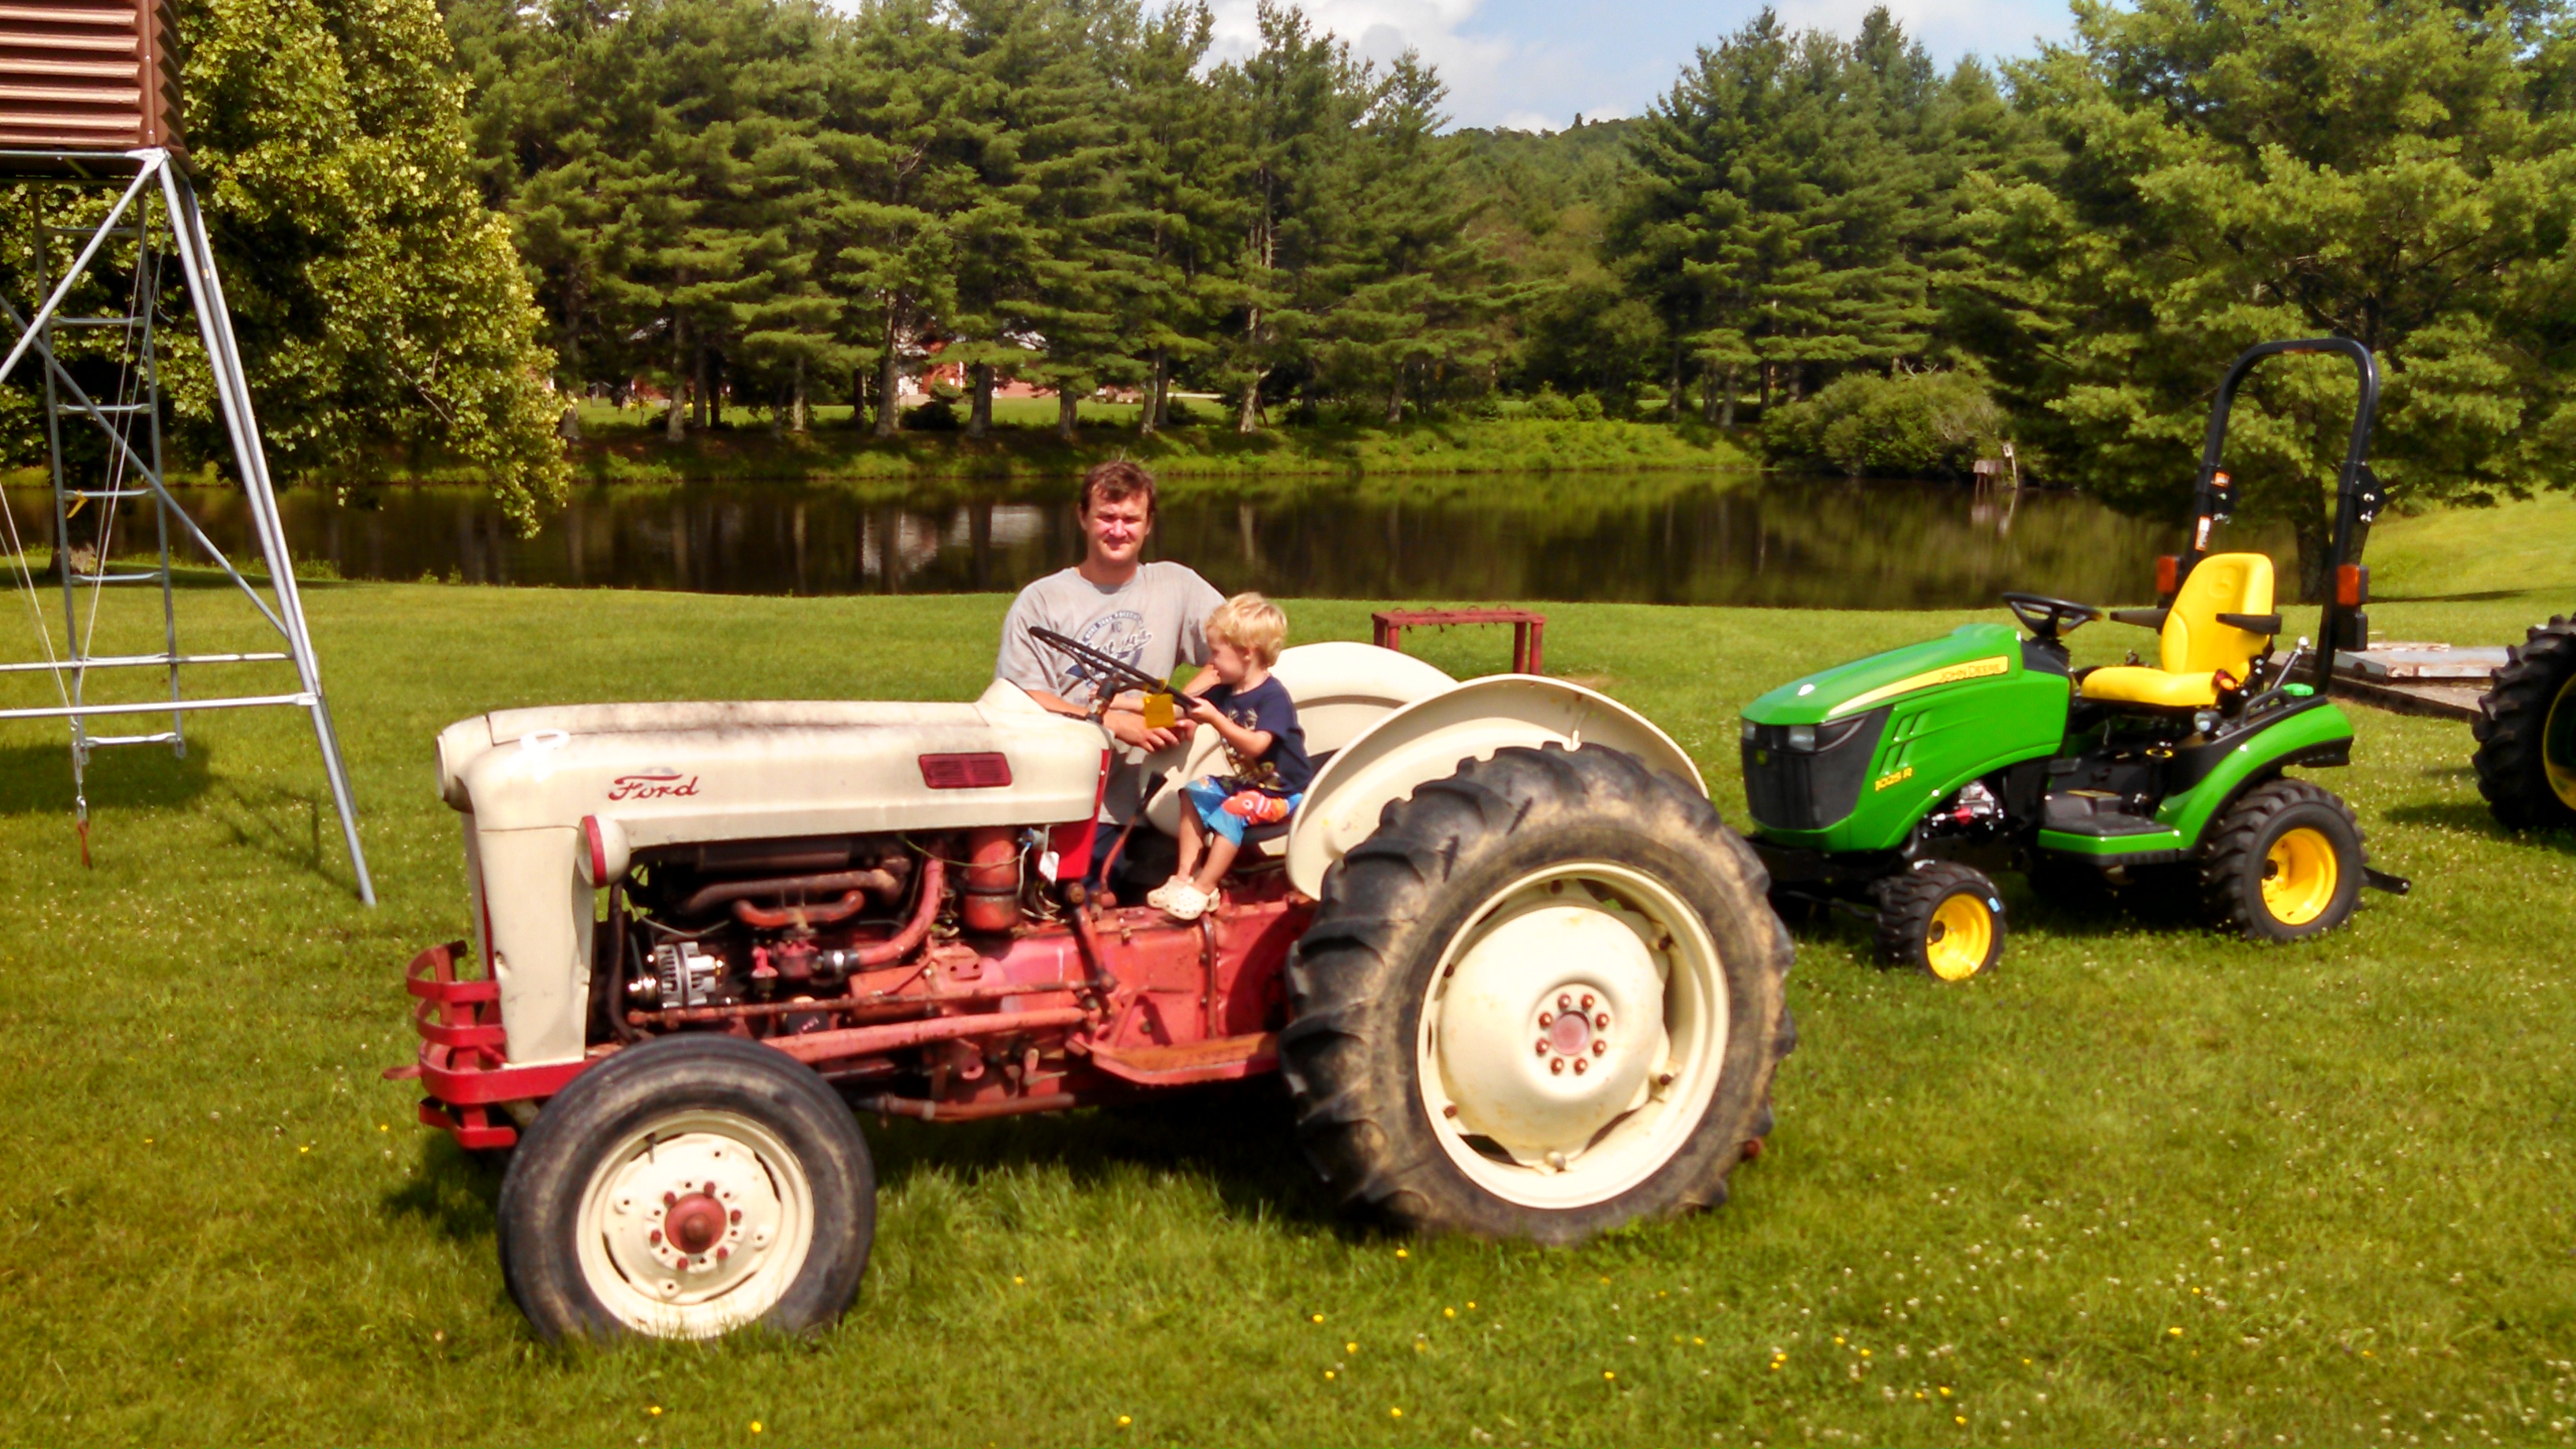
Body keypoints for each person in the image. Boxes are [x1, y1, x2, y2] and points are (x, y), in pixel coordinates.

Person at [994, 459, 1224, 894]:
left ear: (1148, 525)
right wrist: (1107, 721)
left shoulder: (1177, 585)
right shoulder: (1041, 601)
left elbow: (1240, 655)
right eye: (1106, 517)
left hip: (1159, 802)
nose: (1118, 530)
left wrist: (1169, 711)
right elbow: (1023, 699)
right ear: (1083, 517)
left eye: (1130, 519)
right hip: (1069, 805)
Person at [1147, 593, 1311, 923]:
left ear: (1247, 652)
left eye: (1216, 653)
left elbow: (1256, 746)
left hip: (1284, 793)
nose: (1211, 663)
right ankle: (1185, 876)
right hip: (1252, 785)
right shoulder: (1227, 689)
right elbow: (1177, 709)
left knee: (1233, 810)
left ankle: (1205, 888)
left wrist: (1215, 719)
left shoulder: (1272, 697)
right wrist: (1122, 704)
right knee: (1195, 792)